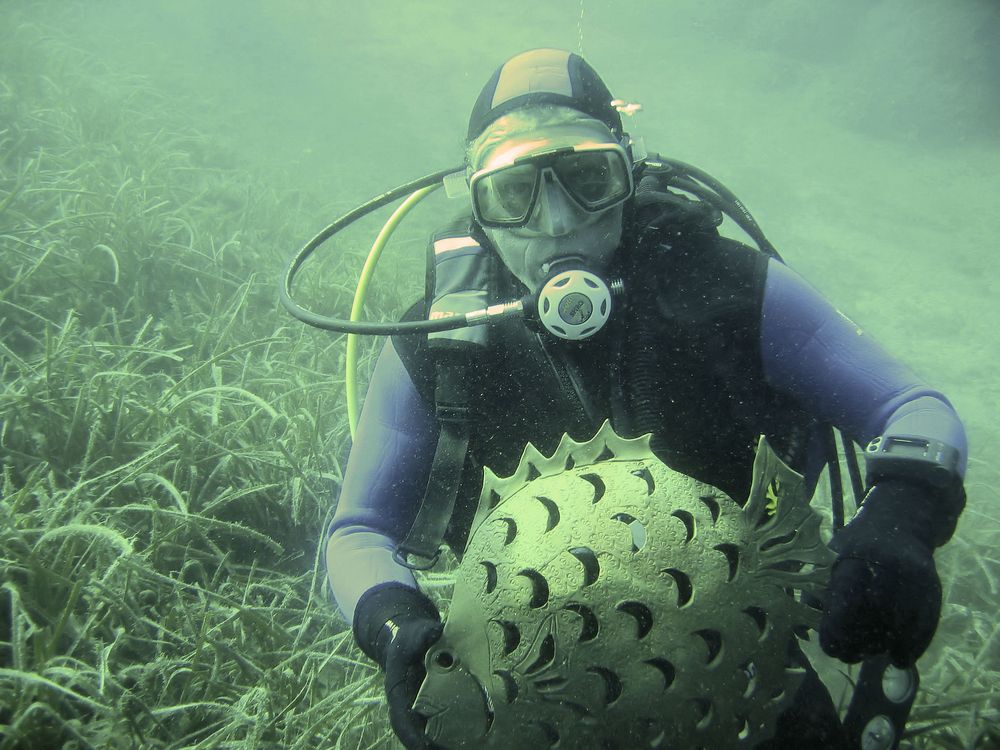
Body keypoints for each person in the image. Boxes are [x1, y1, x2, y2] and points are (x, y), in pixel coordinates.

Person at [324, 48, 967, 749]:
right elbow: (359, 530)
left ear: (628, 174)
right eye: (516, 193)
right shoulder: (436, 343)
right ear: (478, 208)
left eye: (587, 179)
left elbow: (911, 406)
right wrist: (395, 625)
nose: (559, 222)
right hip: (534, 687)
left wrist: (902, 518)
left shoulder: (726, 289)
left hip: (743, 655)